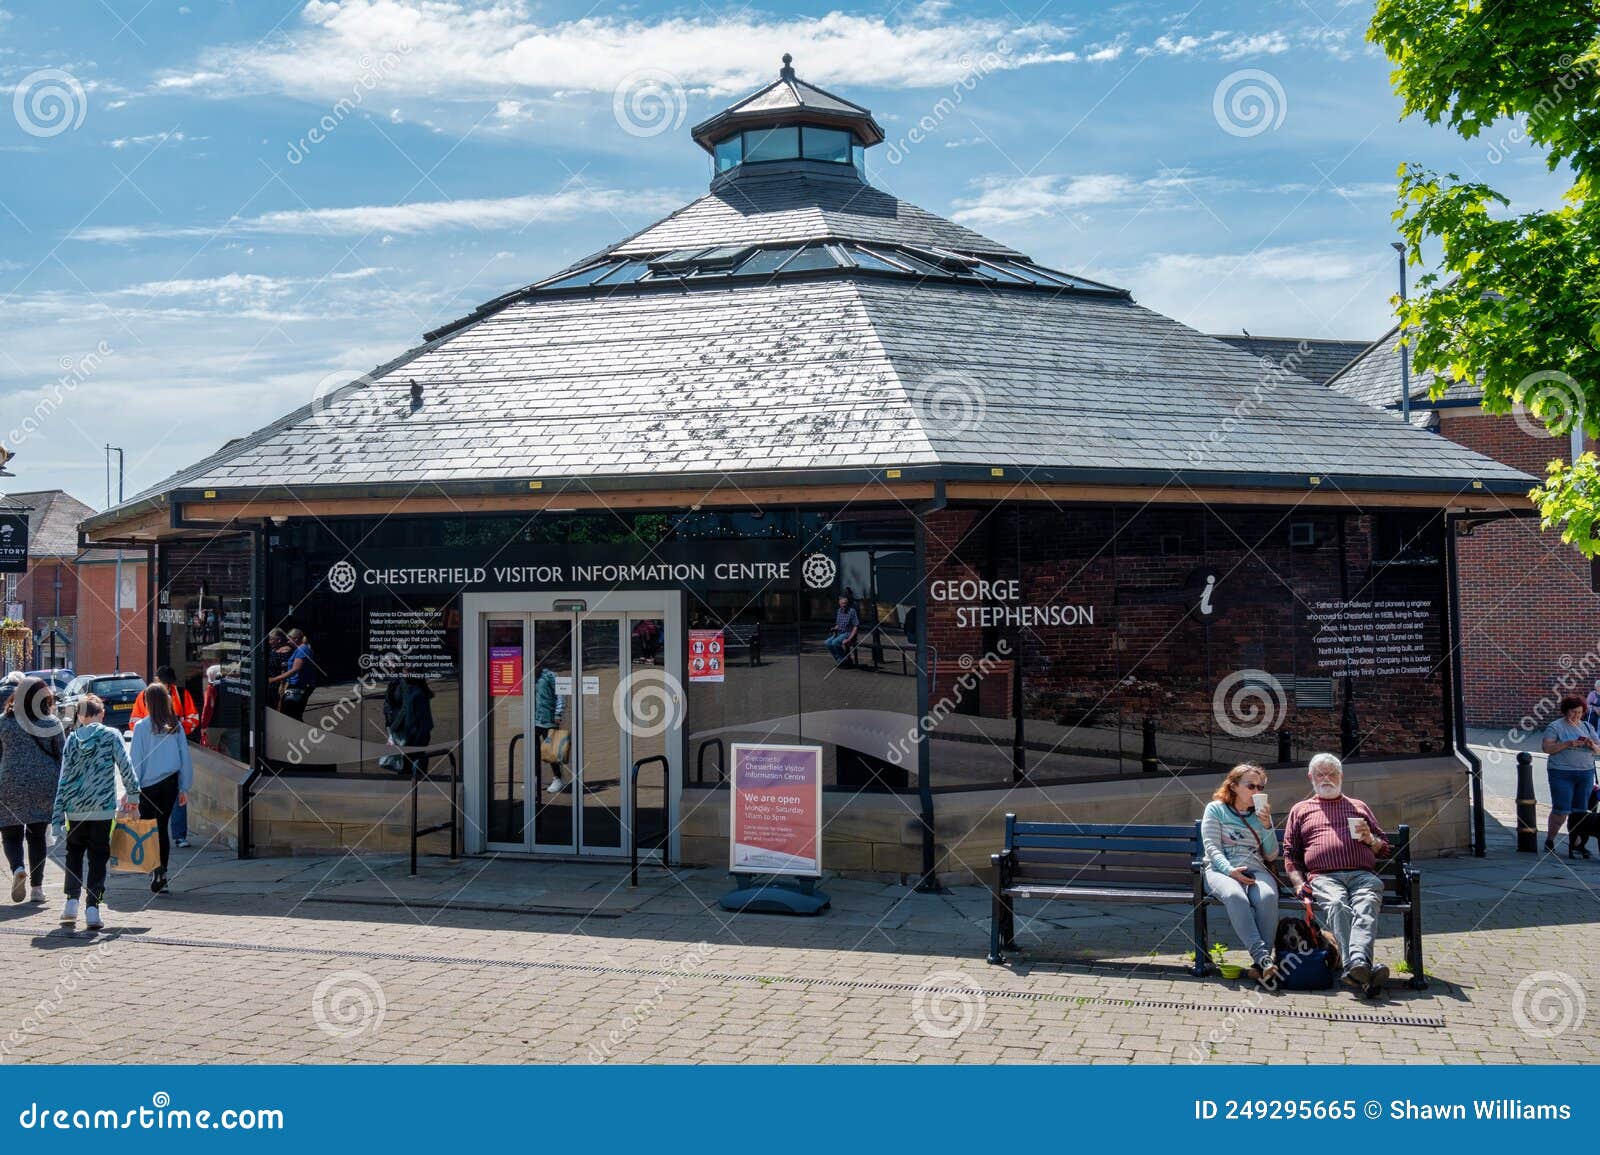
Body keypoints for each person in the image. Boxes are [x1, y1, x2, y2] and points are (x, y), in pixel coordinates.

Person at [1282, 753, 1391, 999]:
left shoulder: (1358, 806)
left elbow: (1384, 848)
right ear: (1311, 777)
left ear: (1341, 776)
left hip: (1362, 874)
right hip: (1324, 877)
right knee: (1336, 904)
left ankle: (1356, 967)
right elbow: (1290, 853)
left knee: (1366, 903)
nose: (1326, 779)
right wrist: (1299, 883)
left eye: (1332, 773)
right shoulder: (1301, 809)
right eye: (1320, 774)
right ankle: (1361, 967)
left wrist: (1369, 839)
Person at [53, 695, 141, 930]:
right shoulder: (111, 736)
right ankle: (93, 907)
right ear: (101, 714)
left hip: (75, 810)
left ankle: (71, 903)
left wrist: (56, 817)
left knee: (73, 855)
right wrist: (133, 795)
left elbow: (64, 778)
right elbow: (126, 766)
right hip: (102, 809)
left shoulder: (71, 740)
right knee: (98, 859)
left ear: (81, 716)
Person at [1199, 763, 1280, 986]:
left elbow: (1272, 855)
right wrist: (1230, 871)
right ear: (1233, 786)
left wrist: (1266, 826)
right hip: (1220, 871)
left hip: (1255, 869)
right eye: (1251, 786)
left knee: (1268, 897)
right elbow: (1212, 847)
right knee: (1236, 896)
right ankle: (1264, 958)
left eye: (1260, 787)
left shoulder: (1261, 815)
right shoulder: (1215, 809)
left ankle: (1259, 968)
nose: (1256, 791)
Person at [0, 676, 64, 903]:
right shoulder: (52, 723)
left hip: (10, 783)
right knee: (37, 836)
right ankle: (37, 889)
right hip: (44, 785)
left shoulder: (3, 723)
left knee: (11, 834)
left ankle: (18, 868)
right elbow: (62, 756)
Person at [130, 683, 193, 896]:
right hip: (170, 782)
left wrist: (132, 789)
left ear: (147, 702)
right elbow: (185, 757)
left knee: (149, 829)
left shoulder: (140, 727)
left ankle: (154, 868)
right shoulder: (176, 725)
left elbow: (136, 761)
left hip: (147, 786)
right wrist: (184, 787)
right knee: (163, 827)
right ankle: (162, 874)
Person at [131, 665, 199, 847]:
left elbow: (135, 759)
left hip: (151, 780)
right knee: (159, 828)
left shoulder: (182, 696)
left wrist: (132, 786)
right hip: (163, 777)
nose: (167, 687)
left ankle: (176, 839)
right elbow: (134, 721)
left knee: (152, 826)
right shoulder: (145, 702)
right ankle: (160, 870)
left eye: (168, 683)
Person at [1540, 695, 1599, 859]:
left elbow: (1599, 750)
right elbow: (1547, 748)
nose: (1577, 715)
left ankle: (1578, 844)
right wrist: (1568, 743)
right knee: (1561, 809)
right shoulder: (1555, 727)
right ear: (1566, 711)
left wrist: (1591, 745)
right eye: (1573, 712)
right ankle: (1550, 840)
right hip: (1561, 772)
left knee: (1580, 811)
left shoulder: (1587, 727)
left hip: (1585, 772)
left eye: (1580, 712)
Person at [392, 673, 434, 778]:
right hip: (417, 732)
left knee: (412, 762)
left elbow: (409, 712)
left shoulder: (416, 693)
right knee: (416, 760)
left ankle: (414, 780)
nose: (403, 675)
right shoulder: (415, 691)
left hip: (415, 733)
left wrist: (395, 727)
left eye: (406, 672)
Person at [269, 628, 317, 721]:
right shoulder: (299, 649)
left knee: (290, 713)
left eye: (289, 639)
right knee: (293, 713)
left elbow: (295, 669)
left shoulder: (303, 650)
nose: (287, 641)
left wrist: (274, 679)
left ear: (296, 639)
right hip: (296, 684)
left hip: (299, 685)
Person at [536, 664, 568, 793]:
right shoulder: (529, 676)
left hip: (548, 718)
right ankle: (534, 778)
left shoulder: (550, 675)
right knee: (533, 750)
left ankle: (558, 779)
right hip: (534, 718)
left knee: (552, 751)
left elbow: (560, 694)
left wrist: (558, 712)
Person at [824, 593, 860, 667]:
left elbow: (856, 626)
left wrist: (850, 639)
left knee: (834, 643)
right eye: (842, 603)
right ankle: (841, 660)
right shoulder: (839, 611)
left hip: (848, 633)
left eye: (845, 603)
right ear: (839, 604)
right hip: (839, 633)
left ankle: (844, 661)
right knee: (827, 642)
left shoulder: (852, 611)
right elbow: (838, 624)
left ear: (847, 604)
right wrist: (835, 628)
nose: (844, 605)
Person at [198, 664, 223, 750]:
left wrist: (203, 726)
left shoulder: (211, 688)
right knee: (234, 756)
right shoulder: (232, 686)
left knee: (212, 752)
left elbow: (208, 708)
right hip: (234, 725)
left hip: (215, 725)